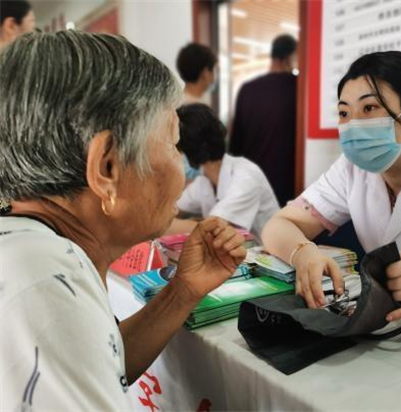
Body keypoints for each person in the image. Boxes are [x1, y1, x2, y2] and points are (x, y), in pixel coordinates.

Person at [0, 31, 245, 410]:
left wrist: (182, 292)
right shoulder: (43, 284)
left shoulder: (33, 250)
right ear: (107, 167)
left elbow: (99, 361)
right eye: (172, 142)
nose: (181, 165)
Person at [262, 51, 401, 322]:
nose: (353, 125)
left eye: (369, 108)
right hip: (397, 327)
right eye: (344, 113)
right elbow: (279, 225)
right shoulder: (351, 169)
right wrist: (302, 252)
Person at [169, 103, 280, 240]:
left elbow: (212, 229)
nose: (173, 158)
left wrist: (161, 226)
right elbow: (172, 212)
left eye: (176, 151)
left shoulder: (246, 177)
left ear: (190, 152)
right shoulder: (204, 180)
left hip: (269, 254)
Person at [229, 34, 298, 206]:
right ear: (291, 56)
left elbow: (235, 145)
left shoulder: (247, 89)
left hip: (250, 184)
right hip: (287, 185)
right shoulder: (299, 88)